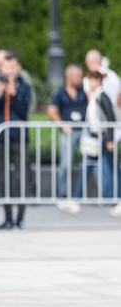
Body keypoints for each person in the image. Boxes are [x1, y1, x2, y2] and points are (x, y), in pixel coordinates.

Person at [0, 51, 32, 230]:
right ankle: (7, 218)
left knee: (20, 178)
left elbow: (24, 111)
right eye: (6, 67)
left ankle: (20, 218)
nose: (9, 71)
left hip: (18, 137)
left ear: (18, 68)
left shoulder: (24, 87)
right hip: (1, 137)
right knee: (2, 178)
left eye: (12, 67)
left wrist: (14, 93)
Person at [48, 64, 87, 214]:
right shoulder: (60, 93)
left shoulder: (83, 92)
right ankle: (63, 194)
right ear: (69, 77)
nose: (80, 78)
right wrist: (62, 125)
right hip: (68, 132)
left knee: (92, 161)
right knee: (65, 164)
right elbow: (52, 111)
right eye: (78, 76)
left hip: (83, 130)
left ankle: (98, 194)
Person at [81, 70, 116, 201]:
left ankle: (113, 197)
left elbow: (110, 118)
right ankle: (78, 196)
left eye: (90, 80)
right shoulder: (95, 96)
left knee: (109, 168)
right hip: (96, 136)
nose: (89, 83)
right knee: (93, 166)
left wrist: (110, 140)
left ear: (97, 81)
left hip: (103, 137)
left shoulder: (102, 96)